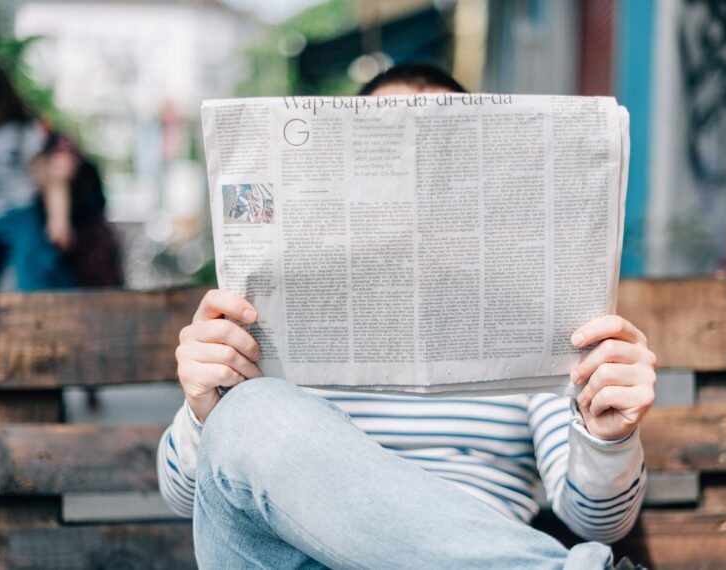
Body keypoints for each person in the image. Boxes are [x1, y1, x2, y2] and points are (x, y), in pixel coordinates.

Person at [158, 64, 656, 569]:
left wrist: (607, 438)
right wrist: (206, 410)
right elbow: (185, 496)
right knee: (249, 412)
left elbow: (599, 522)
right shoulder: (267, 314)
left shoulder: (531, 317)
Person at [0, 58, 75, 290]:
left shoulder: (23, 132)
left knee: (31, 271)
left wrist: (58, 220)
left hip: (20, 214)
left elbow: (50, 181)